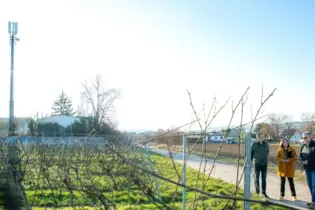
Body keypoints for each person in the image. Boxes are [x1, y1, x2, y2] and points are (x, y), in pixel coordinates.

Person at [251, 132, 269, 199]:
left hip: (264, 164)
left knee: (264, 179)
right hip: (257, 164)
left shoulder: (266, 144)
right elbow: (251, 154)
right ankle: (257, 193)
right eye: (260, 137)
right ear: (257, 138)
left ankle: (264, 193)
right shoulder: (254, 144)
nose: (262, 138)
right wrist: (250, 162)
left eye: (263, 137)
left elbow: (267, 152)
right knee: (257, 179)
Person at [300, 131, 315, 208]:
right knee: (310, 185)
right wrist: (302, 160)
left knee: (314, 186)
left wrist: (308, 161)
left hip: (314, 169)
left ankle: (313, 202)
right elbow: (301, 155)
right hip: (307, 169)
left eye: (305, 137)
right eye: (303, 137)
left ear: (310, 137)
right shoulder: (303, 146)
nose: (304, 139)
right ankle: (314, 200)